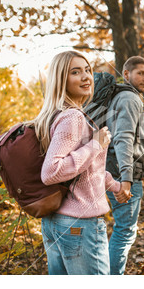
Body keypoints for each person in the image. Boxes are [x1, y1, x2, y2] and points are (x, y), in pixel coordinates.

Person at [34, 50, 122, 275]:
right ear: (61, 79)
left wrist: (115, 186)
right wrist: (96, 145)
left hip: (56, 220)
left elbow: (85, 171)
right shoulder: (72, 117)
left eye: (87, 70)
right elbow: (51, 172)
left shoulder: (56, 114)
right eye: (75, 72)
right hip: (78, 224)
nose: (86, 77)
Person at [105, 56, 144, 275]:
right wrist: (126, 178)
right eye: (140, 73)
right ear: (126, 74)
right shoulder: (130, 99)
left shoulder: (117, 96)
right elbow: (123, 138)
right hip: (124, 173)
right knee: (124, 231)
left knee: (120, 229)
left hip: (112, 169)